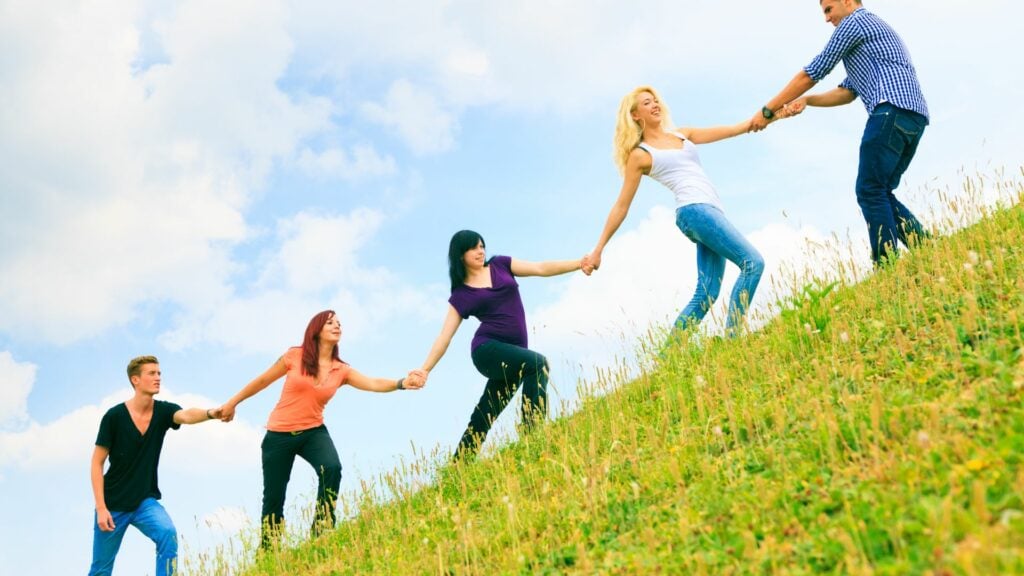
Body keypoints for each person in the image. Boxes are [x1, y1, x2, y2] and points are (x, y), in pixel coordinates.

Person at [218, 310, 423, 549]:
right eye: (330, 322)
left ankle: (321, 533)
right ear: (316, 330)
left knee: (332, 468)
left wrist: (402, 383)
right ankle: (268, 552)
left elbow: (373, 383)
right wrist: (233, 402)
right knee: (274, 498)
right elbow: (262, 380)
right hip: (279, 435)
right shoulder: (295, 356)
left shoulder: (341, 369)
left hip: (313, 431)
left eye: (339, 323)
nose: (337, 326)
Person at [587, 85, 777, 338]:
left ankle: (668, 357)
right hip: (694, 210)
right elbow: (622, 205)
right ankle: (734, 339)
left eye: (655, 100)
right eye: (646, 103)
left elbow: (735, 129)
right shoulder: (640, 155)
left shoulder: (681, 135)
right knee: (753, 263)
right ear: (634, 115)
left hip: (710, 211)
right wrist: (598, 249)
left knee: (707, 291)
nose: (655, 104)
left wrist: (773, 114)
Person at [750, 0, 930, 264]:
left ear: (847, 1)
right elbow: (848, 92)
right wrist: (808, 101)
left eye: (828, 9)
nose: (826, 18)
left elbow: (812, 72)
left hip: (889, 111)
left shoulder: (853, 23)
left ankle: (888, 266)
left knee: (869, 191)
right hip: (913, 118)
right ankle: (926, 249)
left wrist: (767, 110)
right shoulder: (870, 32)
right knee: (879, 191)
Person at [418, 230, 590, 460]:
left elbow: (540, 268)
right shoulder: (461, 294)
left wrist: (579, 263)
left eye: (482, 246)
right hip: (487, 350)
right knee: (538, 364)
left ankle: (459, 465)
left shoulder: (500, 265)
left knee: (487, 410)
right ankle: (533, 435)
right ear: (460, 255)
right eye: (473, 247)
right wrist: (425, 369)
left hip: (514, 354)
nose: (480, 251)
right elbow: (444, 337)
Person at [90, 355, 224, 576]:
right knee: (101, 568)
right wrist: (101, 508)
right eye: (152, 373)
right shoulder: (114, 417)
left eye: (159, 373)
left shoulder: (163, 411)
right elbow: (96, 463)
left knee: (167, 534)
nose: (158, 377)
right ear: (135, 380)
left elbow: (187, 415)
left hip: (144, 501)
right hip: (113, 504)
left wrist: (211, 414)